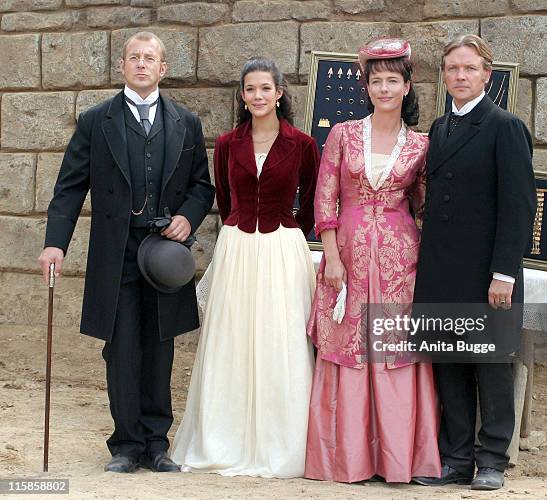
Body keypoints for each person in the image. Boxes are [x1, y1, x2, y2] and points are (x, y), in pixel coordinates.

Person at [37, 32, 215, 474]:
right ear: (122, 66)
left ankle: (157, 443)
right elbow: (70, 186)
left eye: (149, 58)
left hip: (165, 253)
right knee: (122, 349)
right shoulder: (96, 120)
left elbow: (201, 186)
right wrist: (55, 242)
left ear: (163, 67)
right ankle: (126, 445)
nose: (141, 64)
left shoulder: (186, 122)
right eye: (133, 57)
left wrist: (188, 219)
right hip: (116, 252)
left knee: (161, 347)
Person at [170, 58, 320, 478]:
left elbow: (311, 198)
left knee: (280, 338)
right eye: (250, 89)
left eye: (265, 89)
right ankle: (224, 437)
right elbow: (224, 195)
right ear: (242, 96)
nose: (258, 96)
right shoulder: (227, 143)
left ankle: (281, 442)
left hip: (281, 248)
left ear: (279, 94)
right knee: (232, 338)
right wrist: (241, 227)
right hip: (237, 248)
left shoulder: (302, 144)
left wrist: (289, 230)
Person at [304, 38, 442, 483]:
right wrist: (332, 254)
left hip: (401, 258)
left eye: (393, 81)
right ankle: (347, 459)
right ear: (365, 87)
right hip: (350, 252)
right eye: (376, 81)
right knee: (349, 345)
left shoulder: (420, 145)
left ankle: (399, 458)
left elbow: (424, 205)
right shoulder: (343, 134)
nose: (384, 88)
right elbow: (325, 197)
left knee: (394, 348)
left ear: (407, 87)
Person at [411, 35, 536, 490]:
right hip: (442, 270)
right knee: (449, 364)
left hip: (487, 273)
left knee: (492, 366)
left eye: (469, 68)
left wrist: (504, 273)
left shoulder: (505, 126)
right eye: (452, 69)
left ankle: (492, 460)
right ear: (444, 76)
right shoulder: (441, 128)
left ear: (487, 74)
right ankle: (457, 457)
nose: (460, 76)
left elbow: (519, 205)